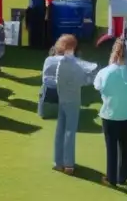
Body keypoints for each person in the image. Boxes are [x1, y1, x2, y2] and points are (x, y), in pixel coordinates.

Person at [43, 34, 95, 175]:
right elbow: (87, 79)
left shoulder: (50, 60)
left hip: (60, 97)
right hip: (72, 98)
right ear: (73, 47)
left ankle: (58, 162)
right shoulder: (77, 63)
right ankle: (69, 164)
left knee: (60, 129)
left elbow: (47, 80)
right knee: (70, 130)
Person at [94, 39, 127, 188]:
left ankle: (112, 177)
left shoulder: (105, 71)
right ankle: (124, 173)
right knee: (126, 143)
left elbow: (97, 86)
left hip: (110, 113)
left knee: (111, 146)